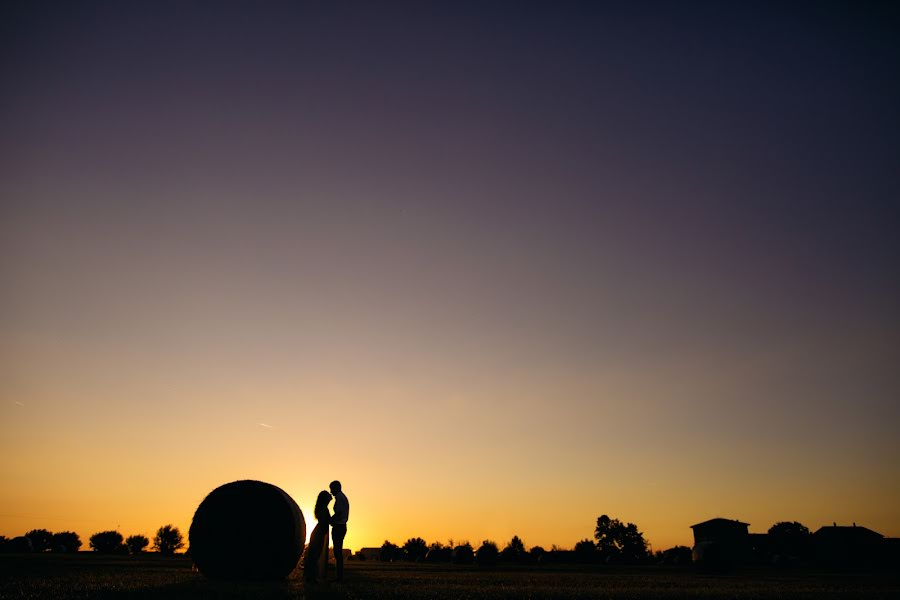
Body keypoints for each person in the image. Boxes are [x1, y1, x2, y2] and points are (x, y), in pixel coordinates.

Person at [304, 490, 332, 584]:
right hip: (319, 533)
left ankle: (310, 577)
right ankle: (311, 578)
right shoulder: (323, 508)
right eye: (328, 499)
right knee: (315, 555)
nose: (329, 501)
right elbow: (327, 521)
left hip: (318, 532)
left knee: (314, 555)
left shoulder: (321, 507)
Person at [329, 480, 350, 582]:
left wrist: (330, 520)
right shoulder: (342, 497)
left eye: (331, 489)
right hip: (341, 526)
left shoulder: (340, 498)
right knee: (337, 552)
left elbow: (339, 513)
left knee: (337, 553)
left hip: (339, 527)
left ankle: (339, 577)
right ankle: (339, 576)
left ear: (336, 488)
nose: (331, 492)